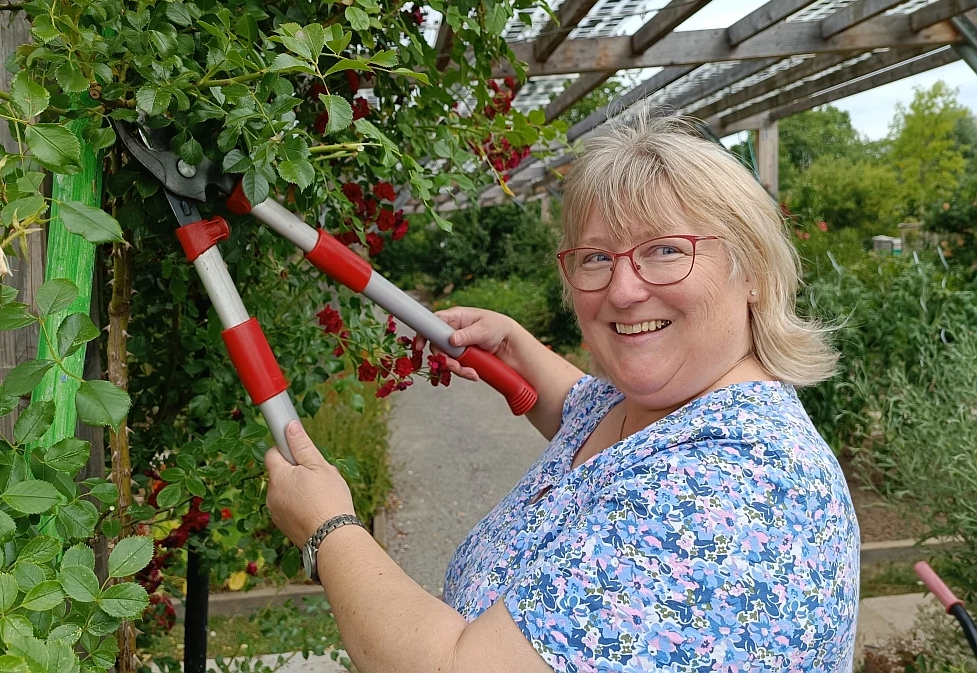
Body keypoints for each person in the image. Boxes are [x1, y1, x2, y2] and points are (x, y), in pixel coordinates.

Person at [265, 105, 860, 672]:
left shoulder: (735, 489)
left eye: (665, 250)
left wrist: (329, 530)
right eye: (597, 257)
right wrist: (520, 345)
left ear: (751, 269)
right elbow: (581, 408)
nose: (623, 291)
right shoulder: (662, 407)